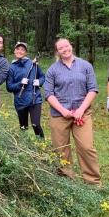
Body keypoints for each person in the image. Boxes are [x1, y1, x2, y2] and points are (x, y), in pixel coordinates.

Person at [45, 38, 101, 185]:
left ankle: (93, 181)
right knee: (61, 149)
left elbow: (93, 89)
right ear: (57, 52)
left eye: (66, 46)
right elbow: (49, 94)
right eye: (61, 48)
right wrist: (63, 110)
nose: (65, 49)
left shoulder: (85, 66)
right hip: (59, 115)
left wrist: (81, 109)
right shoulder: (52, 70)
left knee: (86, 147)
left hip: (82, 114)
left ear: (71, 46)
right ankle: (67, 182)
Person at [5, 41, 45, 138]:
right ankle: (26, 144)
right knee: (23, 127)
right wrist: (20, 84)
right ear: (14, 51)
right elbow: (9, 87)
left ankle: (41, 143)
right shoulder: (11, 68)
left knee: (36, 124)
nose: (20, 51)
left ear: (25, 52)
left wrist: (39, 82)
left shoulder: (33, 64)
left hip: (35, 99)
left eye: (22, 50)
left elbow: (42, 76)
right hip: (20, 101)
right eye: (18, 49)